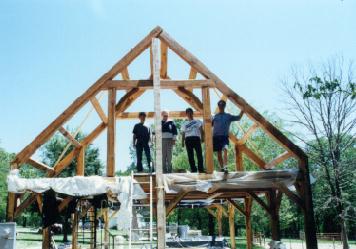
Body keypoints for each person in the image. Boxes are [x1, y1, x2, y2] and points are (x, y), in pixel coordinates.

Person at [212, 100, 244, 172]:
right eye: (220, 105)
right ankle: (222, 168)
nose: (221, 106)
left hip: (224, 136)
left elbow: (238, 118)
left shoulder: (228, 116)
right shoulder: (214, 117)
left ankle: (225, 167)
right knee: (219, 153)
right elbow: (209, 125)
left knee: (225, 149)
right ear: (218, 106)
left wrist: (243, 110)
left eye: (222, 105)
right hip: (216, 137)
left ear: (224, 106)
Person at [181, 108, 205, 173]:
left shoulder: (198, 121)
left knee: (199, 154)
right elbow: (183, 133)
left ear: (192, 113)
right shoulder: (184, 123)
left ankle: (201, 169)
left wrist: (202, 138)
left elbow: (201, 130)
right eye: (188, 112)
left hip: (196, 138)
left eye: (191, 112)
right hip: (188, 139)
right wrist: (182, 142)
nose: (190, 114)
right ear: (186, 114)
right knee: (190, 155)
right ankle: (193, 169)